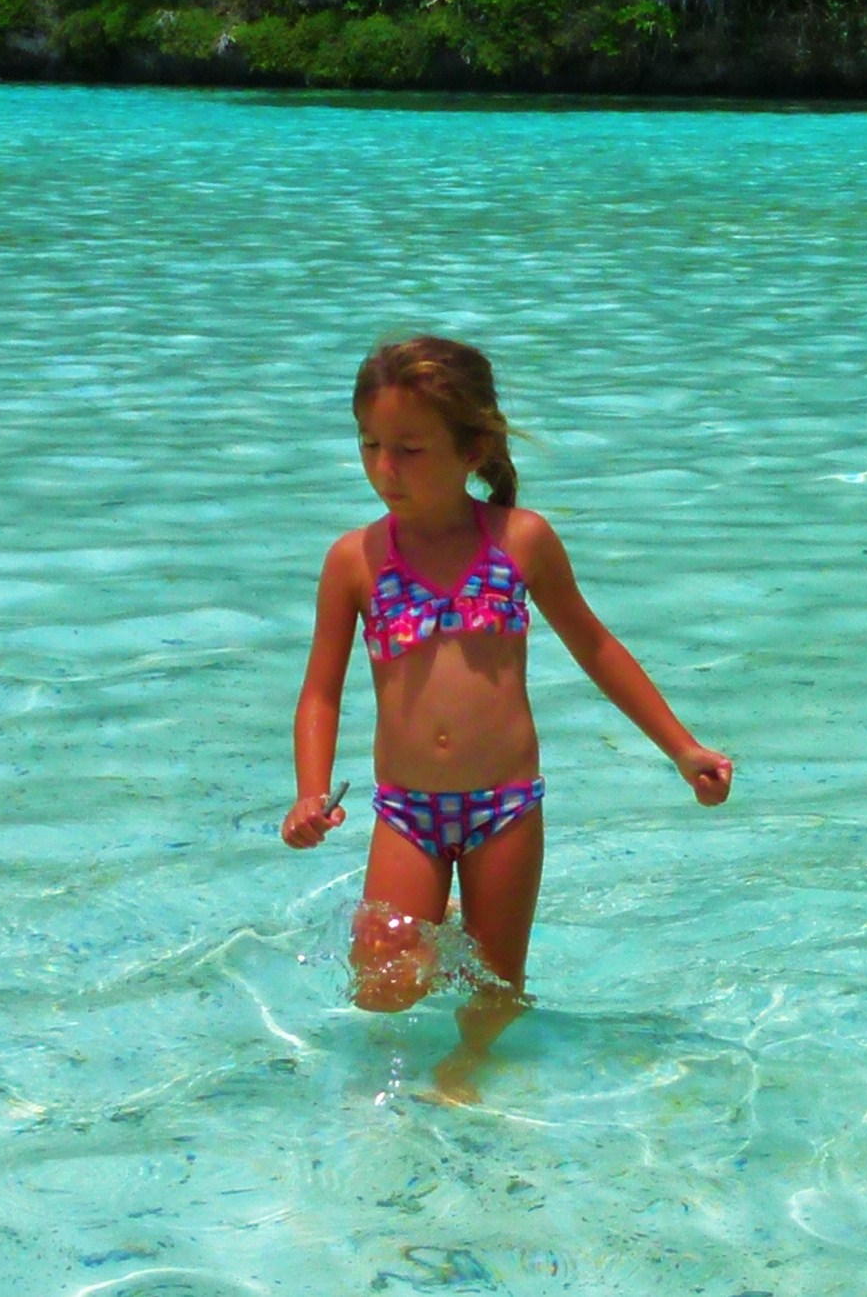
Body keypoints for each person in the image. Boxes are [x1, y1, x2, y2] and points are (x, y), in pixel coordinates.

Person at [282, 333, 733, 1091]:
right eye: (370, 445)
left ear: (473, 448)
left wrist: (682, 750)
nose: (385, 468)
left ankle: (467, 1074)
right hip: (408, 811)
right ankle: (390, 1073)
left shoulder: (519, 541)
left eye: (410, 450)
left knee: (495, 989)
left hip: (505, 808)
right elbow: (320, 691)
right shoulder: (354, 560)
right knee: (382, 982)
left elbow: (596, 647)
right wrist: (309, 791)